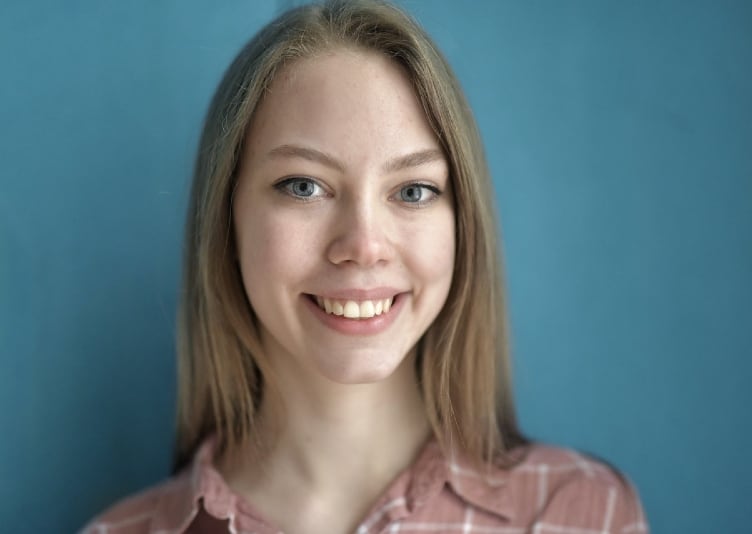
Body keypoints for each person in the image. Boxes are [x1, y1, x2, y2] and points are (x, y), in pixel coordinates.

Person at [83, 1, 649, 532]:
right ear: (226, 220)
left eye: (413, 190)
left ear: (462, 225)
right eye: (304, 186)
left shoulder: (583, 513)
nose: (364, 245)